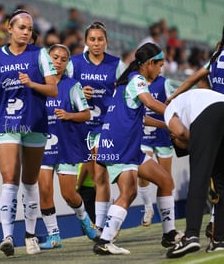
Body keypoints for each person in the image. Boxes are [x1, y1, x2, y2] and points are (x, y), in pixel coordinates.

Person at [0, 9, 58, 257]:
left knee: (30, 181)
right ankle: (7, 237)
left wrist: (32, 84)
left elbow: (53, 90)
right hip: (5, 122)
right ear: (9, 28)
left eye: (29, 29)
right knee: (10, 176)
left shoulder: (40, 54)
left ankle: (30, 234)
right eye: (21, 27)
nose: (26, 32)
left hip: (34, 122)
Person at [93, 42, 181, 255]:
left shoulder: (126, 83)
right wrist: (175, 116)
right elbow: (150, 103)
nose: (160, 70)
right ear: (150, 63)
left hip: (126, 146)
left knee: (165, 181)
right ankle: (104, 241)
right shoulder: (138, 80)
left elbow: (141, 116)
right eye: (159, 65)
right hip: (122, 146)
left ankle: (169, 235)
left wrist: (165, 124)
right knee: (129, 192)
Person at [37, 44, 97, 250]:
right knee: (44, 189)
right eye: (55, 57)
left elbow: (87, 114)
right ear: (47, 58)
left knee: (68, 194)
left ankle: (85, 220)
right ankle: (54, 236)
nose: (58, 62)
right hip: (43, 145)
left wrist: (69, 115)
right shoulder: (39, 84)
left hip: (66, 146)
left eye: (63, 59)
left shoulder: (73, 86)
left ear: (67, 63)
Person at [69, 21, 126, 234]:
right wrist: (78, 93)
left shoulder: (116, 65)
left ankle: (102, 226)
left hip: (106, 127)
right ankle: (102, 223)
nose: (96, 43)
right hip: (83, 129)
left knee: (102, 176)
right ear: (86, 41)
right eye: (92, 39)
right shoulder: (74, 64)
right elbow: (62, 88)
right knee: (96, 176)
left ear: (106, 41)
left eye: (100, 39)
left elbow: (124, 93)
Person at [164, 89, 224, 258]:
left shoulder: (169, 111)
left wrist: (198, 146)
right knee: (221, 182)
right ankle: (219, 239)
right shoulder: (189, 100)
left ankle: (190, 236)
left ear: (172, 137)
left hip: (208, 115)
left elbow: (181, 132)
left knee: (199, 178)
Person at [138, 74, 176, 227]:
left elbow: (172, 103)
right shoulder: (137, 84)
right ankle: (148, 208)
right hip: (144, 134)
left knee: (165, 177)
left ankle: (167, 218)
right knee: (142, 173)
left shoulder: (164, 83)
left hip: (162, 135)